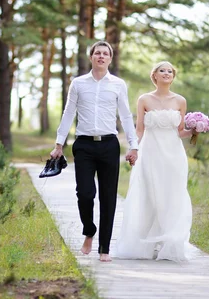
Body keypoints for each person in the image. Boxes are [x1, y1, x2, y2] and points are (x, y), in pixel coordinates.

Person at [50, 41, 139, 262]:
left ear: (110, 59)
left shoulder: (118, 84)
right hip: (84, 145)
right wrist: (59, 144)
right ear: (91, 57)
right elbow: (68, 113)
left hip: (109, 145)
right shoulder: (78, 84)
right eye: (97, 53)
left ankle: (104, 248)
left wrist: (133, 145)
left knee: (108, 197)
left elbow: (126, 116)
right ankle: (89, 230)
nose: (101, 56)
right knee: (85, 193)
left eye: (105, 53)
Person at [114, 61, 195, 262]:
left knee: (172, 194)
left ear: (173, 77)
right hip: (150, 152)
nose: (167, 73)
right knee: (150, 194)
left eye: (170, 71)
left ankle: (170, 242)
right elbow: (139, 130)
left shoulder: (180, 101)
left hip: (174, 155)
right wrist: (133, 148)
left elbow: (180, 131)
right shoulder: (144, 99)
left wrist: (195, 129)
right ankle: (145, 243)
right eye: (162, 70)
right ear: (155, 76)